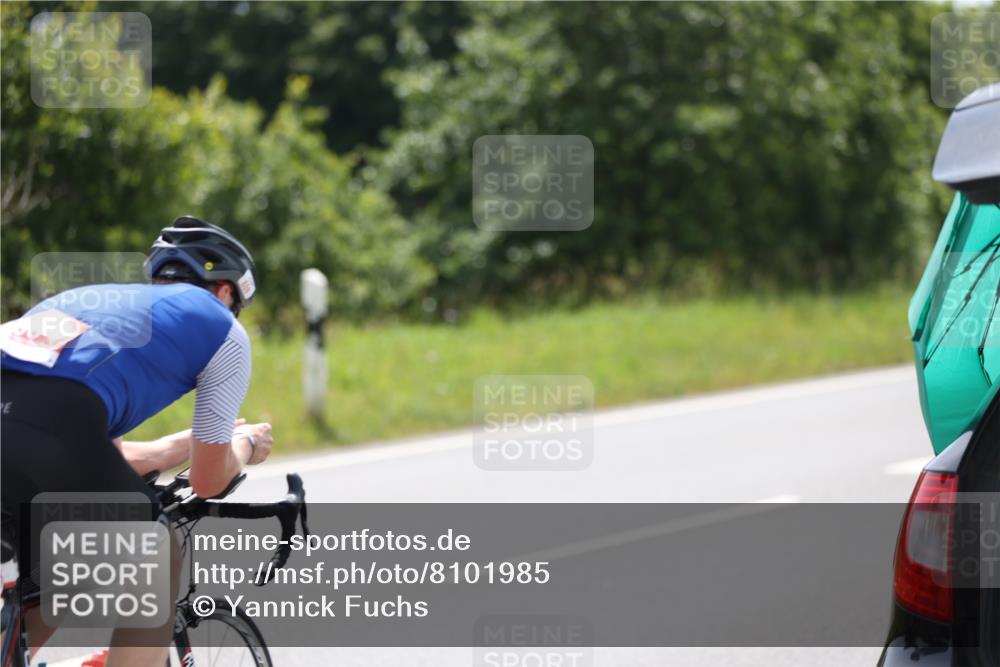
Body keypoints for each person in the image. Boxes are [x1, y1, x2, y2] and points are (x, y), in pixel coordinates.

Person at [0, 215, 274, 666]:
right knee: (155, 551)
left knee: (60, 572)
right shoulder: (223, 328)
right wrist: (243, 444)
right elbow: (208, 481)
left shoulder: (91, 303)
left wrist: (183, 444)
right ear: (226, 291)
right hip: (57, 425)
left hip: (29, 425)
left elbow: (99, 455)